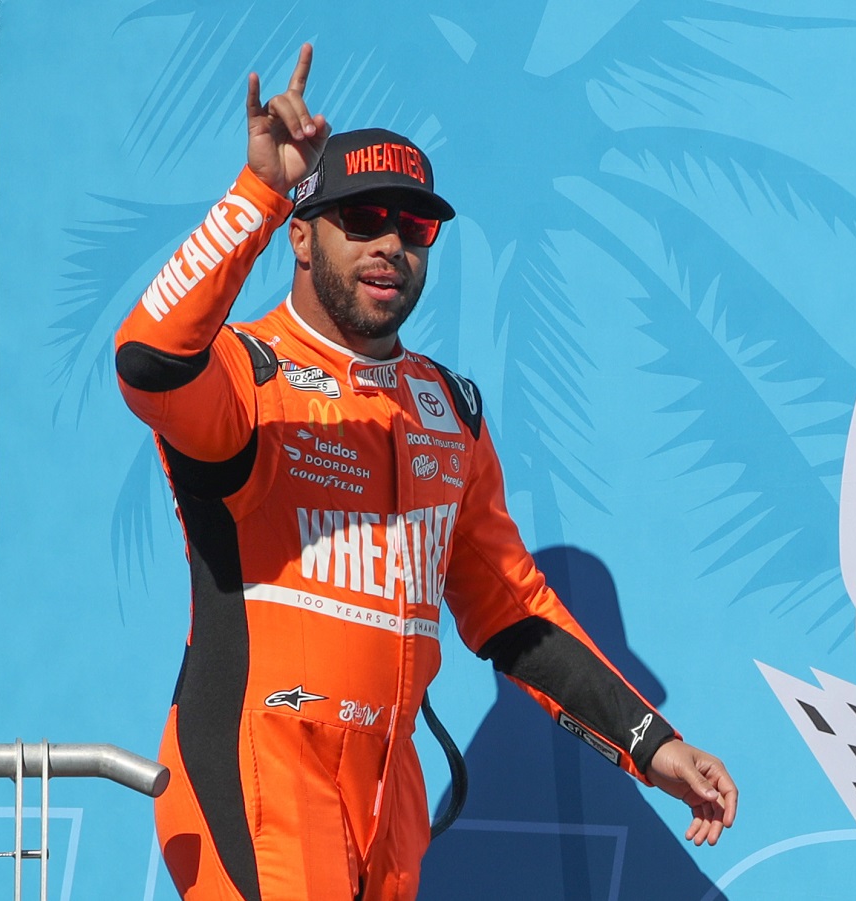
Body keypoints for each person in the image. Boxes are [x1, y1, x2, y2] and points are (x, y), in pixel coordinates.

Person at [113, 44, 737, 901]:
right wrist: (257, 192)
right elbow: (147, 360)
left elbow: (511, 611)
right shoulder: (245, 374)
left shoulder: (447, 406)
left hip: (388, 789)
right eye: (360, 218)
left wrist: (652, 743)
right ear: (300, 234)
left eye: (413, 227)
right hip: (263, 767)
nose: (388, 245)